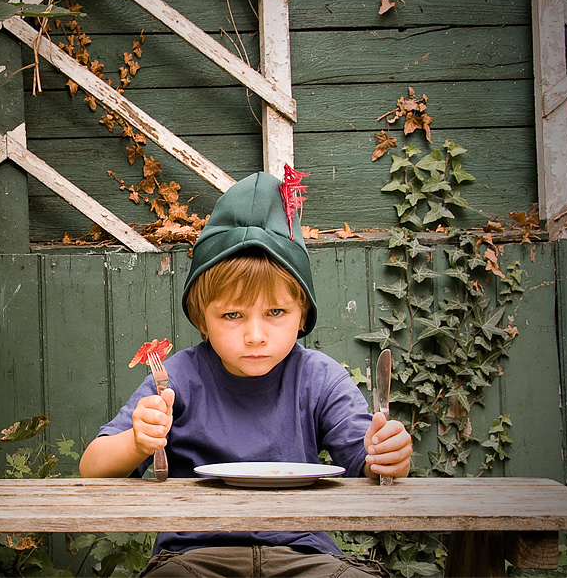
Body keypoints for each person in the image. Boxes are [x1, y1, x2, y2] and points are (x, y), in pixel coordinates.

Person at [79, 171, 413, 577]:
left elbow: (371, 465)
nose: (256, 336)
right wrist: (137, 441)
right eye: (233, 315)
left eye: (275, 312)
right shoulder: (178, 378)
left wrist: (389, 455)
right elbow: (91, 467)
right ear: (202, 318)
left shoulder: (319, 379)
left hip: (305, 557)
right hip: (194, 558)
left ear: (302, 313)